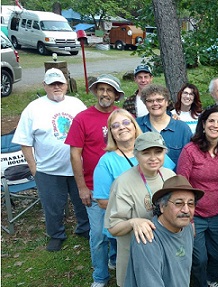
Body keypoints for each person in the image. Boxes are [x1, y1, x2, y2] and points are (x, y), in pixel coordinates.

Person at [92, 109, 179, 286]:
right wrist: (133, 222)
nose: (153, 158)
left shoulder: (169, 175)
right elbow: (113, 226)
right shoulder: (122, 181)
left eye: (158, 152)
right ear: (137, 155)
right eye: (146, 153)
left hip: (164, 249)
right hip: (134, 252)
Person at [13, 68, 88, 252]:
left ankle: (84, 228)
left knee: (83, 201)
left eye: (60, 83)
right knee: (52, 206)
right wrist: (34, 169)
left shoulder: (77, 104)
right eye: (52, 84)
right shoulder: (33, 108)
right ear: (44, 85)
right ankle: (56, 235)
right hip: (48, 170)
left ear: (66, 85)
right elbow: (24, 141)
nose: (56, 87)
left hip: (77, 167)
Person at [65, 73, 122, 285]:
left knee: (119, 230)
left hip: (121, 189)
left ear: (116, 95)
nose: (104, 93)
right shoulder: (83, 118)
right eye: (101, 89)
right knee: (98, 235)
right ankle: (100, 276)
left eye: (109, 90)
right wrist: (81, 187)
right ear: (95, 92)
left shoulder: (122, 116)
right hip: (93, 188)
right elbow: (74, 154)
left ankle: (115, 260)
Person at [177, 105, 218, 287]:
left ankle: (212, 279)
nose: (215, 125)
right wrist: (189, 219)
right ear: (203, 124)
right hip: (195, 214)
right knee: (199, 258)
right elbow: (182, 184)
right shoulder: (190, 150)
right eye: (211, 120)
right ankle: (200, 283)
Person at [123, 176, 204, 287]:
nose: (186, 210)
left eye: (190, 204)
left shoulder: (187, 227)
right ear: (162, 206)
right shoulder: (148, 239)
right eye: (178, 203)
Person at [136, 84, 193, 165]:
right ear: (145, 104)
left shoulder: (182, 128)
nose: (155, 103)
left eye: (159, 100)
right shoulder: (136, 125)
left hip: (174, 176)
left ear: (166, 102)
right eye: (150, 101)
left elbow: (190, 159)